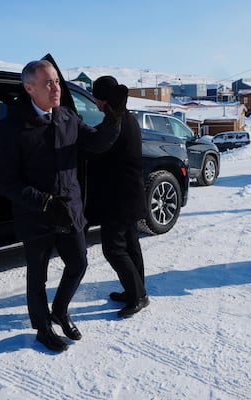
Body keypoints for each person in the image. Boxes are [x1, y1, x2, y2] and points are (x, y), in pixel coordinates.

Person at [0, 60, 124, 352]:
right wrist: (44, 203)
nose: (56, 88)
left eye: (56, 81)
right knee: (37, 275)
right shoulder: (12, 128)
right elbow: (5, 182)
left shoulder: (66, 117)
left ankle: (60, 310)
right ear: (29, 88)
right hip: (36, 214)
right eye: (48, 83)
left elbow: (97, 143)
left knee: (78, 263)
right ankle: (42, 328)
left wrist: (113, 121)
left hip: (70, 210)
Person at [85, 76, 149, 318]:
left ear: (102, 100)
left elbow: (95, 145)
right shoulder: (127, 117)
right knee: (131, 244)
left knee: (113, 249)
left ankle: (138, 295)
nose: (94, 102)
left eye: (95, 97)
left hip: (118, 198)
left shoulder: (115, 122)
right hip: (129, 194)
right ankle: (135, 290)